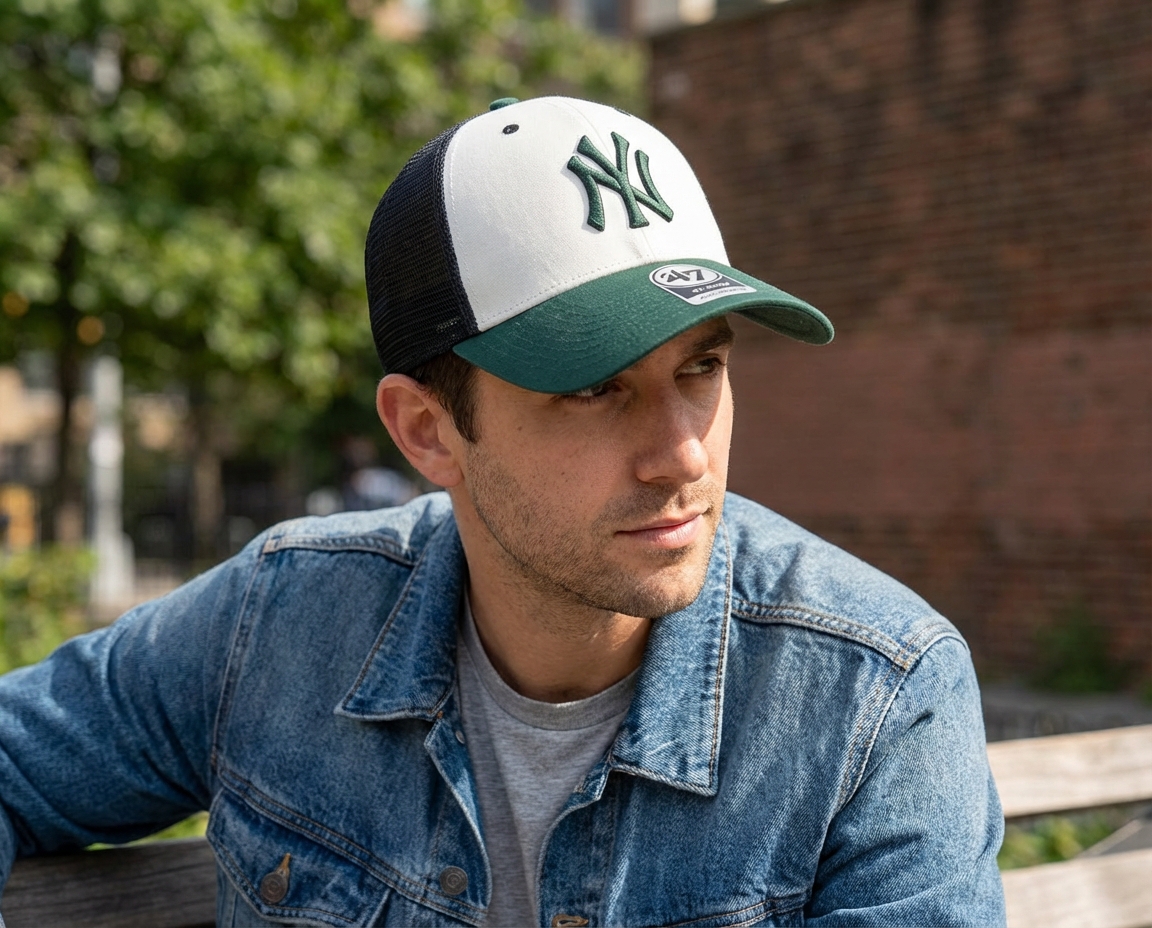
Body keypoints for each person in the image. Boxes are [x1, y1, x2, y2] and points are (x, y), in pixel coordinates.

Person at [0, 96, 1005, 926]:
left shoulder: (874, 696)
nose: (685, 454)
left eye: (701, 368)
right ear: (427, 431)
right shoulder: (279, 624)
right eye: (596, 388)